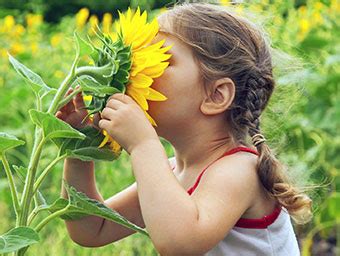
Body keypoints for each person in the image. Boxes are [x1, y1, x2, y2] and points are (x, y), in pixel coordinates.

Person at [56, 3, 312, 255]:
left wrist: (143, 146)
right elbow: (93, 229)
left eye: (161, 59)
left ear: (215, 96)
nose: (137, 70)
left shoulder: (239, 171)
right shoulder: (173, 171)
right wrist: (80, 149)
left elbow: (180, 245)